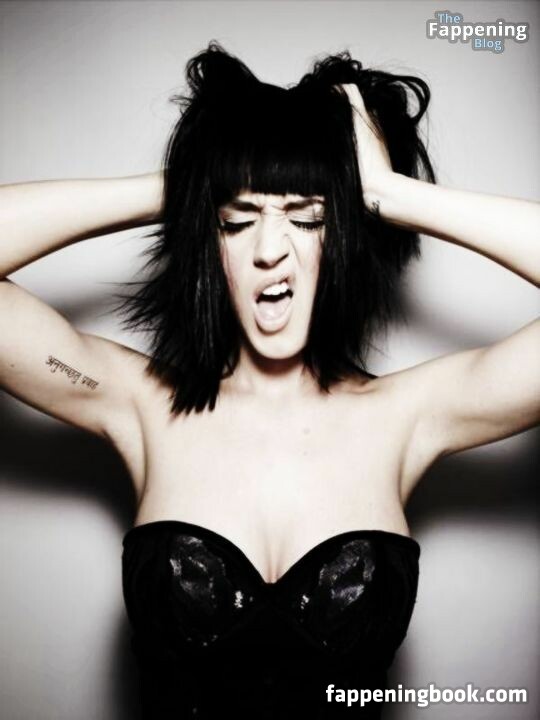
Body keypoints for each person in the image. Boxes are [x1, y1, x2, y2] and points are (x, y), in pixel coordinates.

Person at [0, 40, 538, 719]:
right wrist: (189, 183)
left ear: (346, 237)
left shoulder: (409, 415)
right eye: (237, 219)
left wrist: (388, 194)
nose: (269, 250)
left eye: (308, 217)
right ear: (208, 240)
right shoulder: (136, 401)